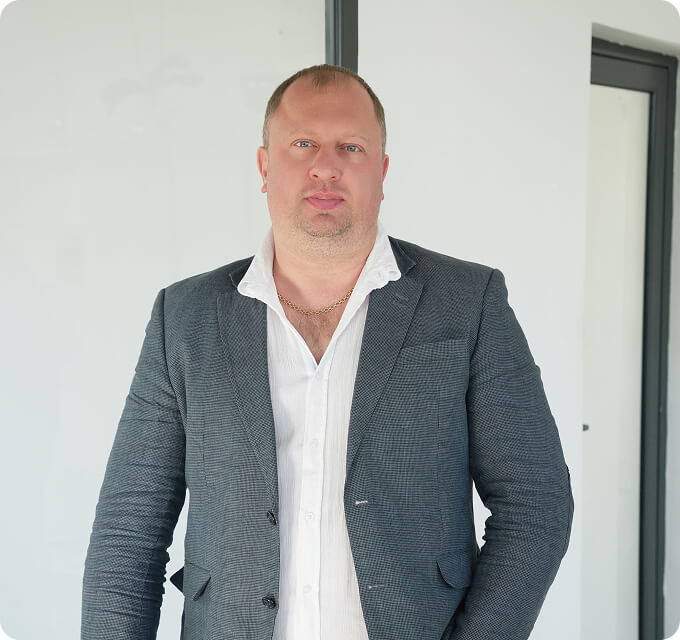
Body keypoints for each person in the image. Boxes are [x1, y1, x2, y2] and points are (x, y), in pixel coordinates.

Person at [81, 64, 573, 640]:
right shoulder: (185, 317)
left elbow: (536, 503)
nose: (326, 166)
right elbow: (129, 529)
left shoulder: (467, 302)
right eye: (303, 143)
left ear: (381, 172)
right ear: (264, 166)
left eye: (351, 147)